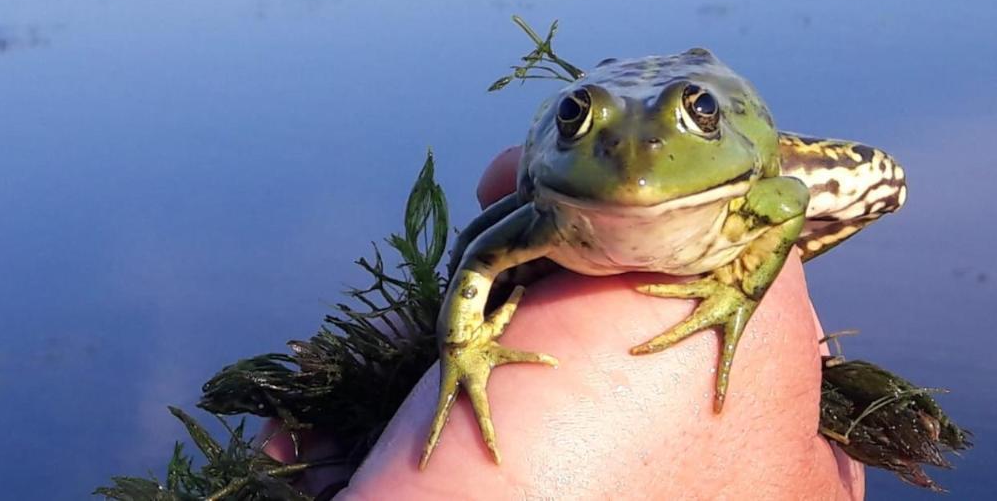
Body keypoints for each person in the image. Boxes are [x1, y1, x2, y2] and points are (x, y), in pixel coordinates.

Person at [313, 147, 863, 499]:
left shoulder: (757, 192)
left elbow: (789, 196)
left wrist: (738, 291)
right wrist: (463, 349)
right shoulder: (541, 215)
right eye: (578, 118)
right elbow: (479, 257)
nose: (638, 161)